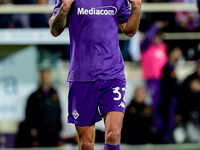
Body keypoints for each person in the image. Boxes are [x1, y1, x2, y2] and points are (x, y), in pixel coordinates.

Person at [49, 0, 141, 149]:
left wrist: (136, 7)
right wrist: (65, 7)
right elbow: (54, 29)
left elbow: (129, 30)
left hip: (113, 74)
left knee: (114, 134)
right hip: (82, 77)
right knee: (86, 143)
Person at [15, 69, 63, 147]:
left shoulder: (55, 95)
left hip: (53, 134)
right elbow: (28, 114)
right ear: (40, 78)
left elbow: (59, 112)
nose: (45, 79)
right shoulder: (33, 96)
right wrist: (32, 128)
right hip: (40, 134)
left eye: (47, 76)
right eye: (44, 77)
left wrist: (60, 129)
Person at [140, 21, 168, 139]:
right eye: (155, 35)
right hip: (151, 81)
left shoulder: (163, 47)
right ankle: (156, 133)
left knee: (165, 107)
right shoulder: (146, 47)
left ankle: (165, 134)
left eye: (159, 35)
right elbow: (147, 38)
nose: (157, 37)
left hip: (164, 82)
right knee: (154, 107)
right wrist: (155, 25)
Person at [159, 46, 182, 143]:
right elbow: (171, 86)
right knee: (170, 121)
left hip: (171, 99)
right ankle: (164, 140)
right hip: (169, 99)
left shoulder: (172, 67)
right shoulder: (168, 68)